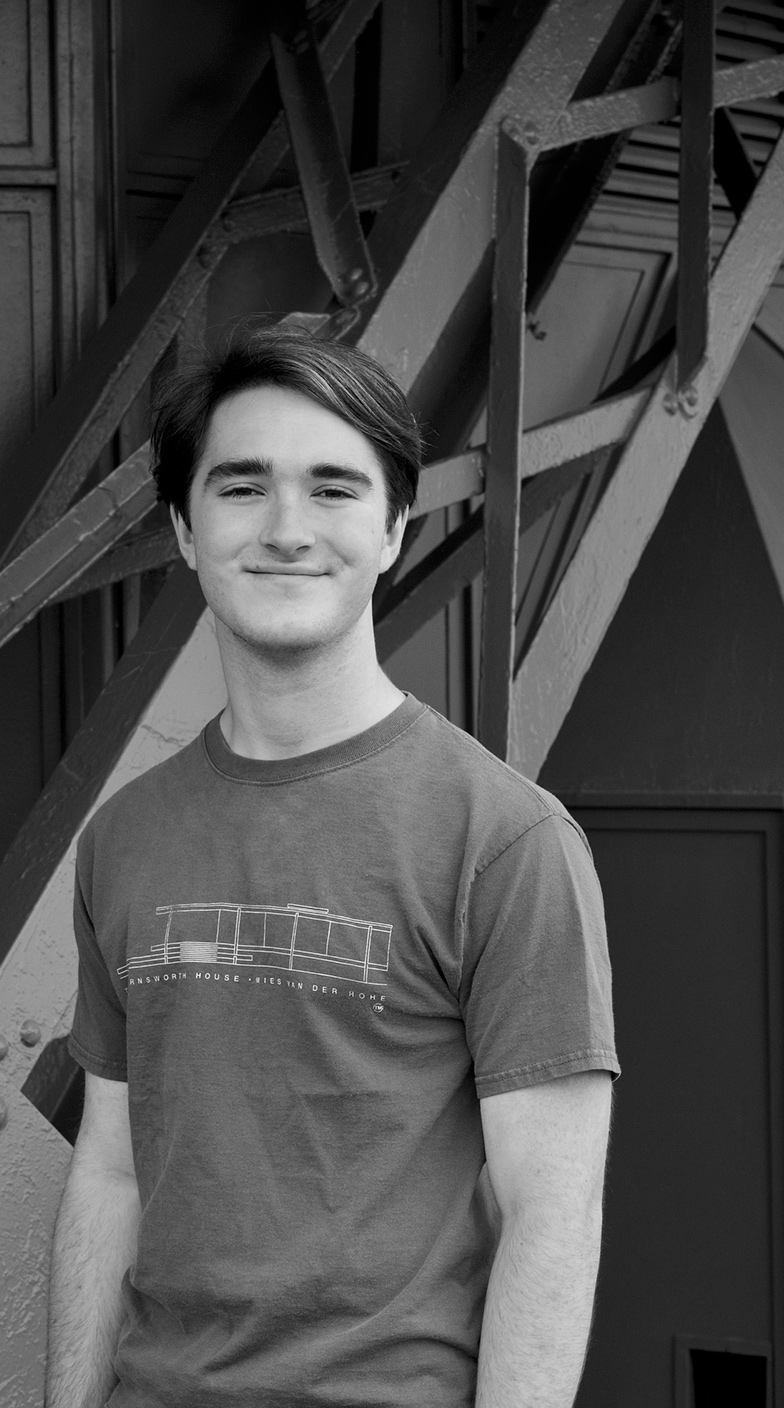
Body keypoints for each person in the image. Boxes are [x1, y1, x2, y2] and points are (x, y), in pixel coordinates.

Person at [46, 326, 619, 1408]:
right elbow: (111, 1171)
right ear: (185, 529)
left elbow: (552, 1211)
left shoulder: (506, 841)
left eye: (334, 489)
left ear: (394, 526)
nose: (286, 529)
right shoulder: (123, 838)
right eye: (242, 487)